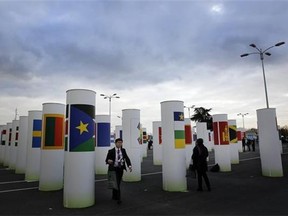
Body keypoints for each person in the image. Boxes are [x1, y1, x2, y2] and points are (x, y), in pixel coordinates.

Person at [105, 138, 132, 204]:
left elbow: (127, 158)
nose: (120, 144)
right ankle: (118, 199)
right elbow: (107, 160)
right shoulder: (111, 151)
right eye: (119, 142)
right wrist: (109, 161)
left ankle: (114, 196)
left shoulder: (123, 150)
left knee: (117, 183)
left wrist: (129, 166)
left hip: (120, 169)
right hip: (114, 168)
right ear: (115, 143)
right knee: (116, 183)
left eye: (121, 142)